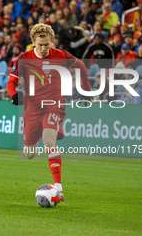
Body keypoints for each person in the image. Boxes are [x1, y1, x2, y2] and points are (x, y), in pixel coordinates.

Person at [7, 23, 91, 204]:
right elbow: (11, 82)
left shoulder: (61, 55)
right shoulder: (24, 58)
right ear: (33, 42)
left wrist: (86, 89)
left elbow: (82, 65)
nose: (44, 48)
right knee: (30, 153)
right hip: (32, 109)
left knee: (48, 141)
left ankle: (59, 189)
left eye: (47, 44)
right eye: (40, 45)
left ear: (52, 41)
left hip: (54, 105)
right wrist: (13, 96)